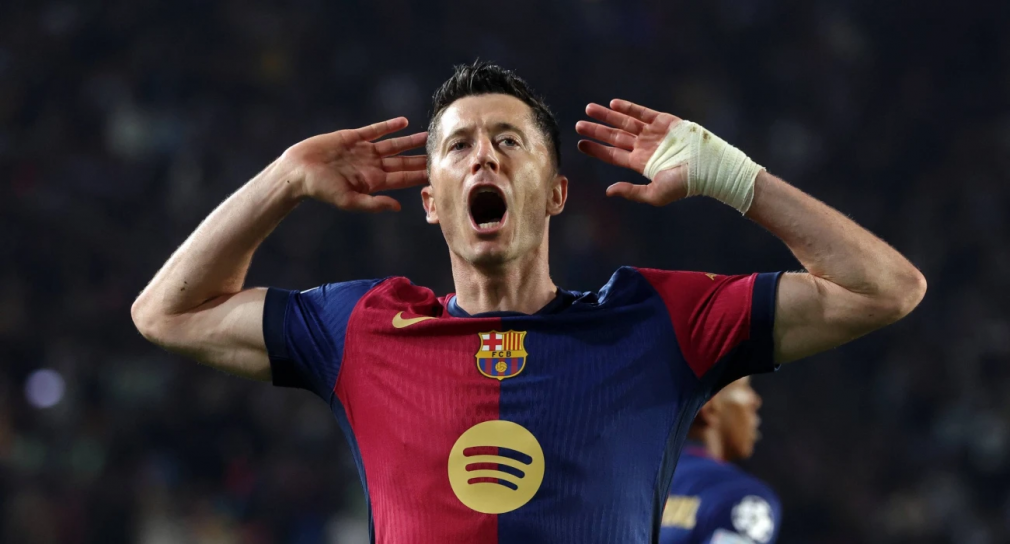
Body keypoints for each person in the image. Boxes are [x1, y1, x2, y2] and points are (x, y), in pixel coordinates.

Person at [130, 61, 926, 543]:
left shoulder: (655, 323)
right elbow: (168, 312)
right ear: (432, 202)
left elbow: (884, 289)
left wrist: (734, 178)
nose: (485, 157)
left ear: (555, 193)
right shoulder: (361, 328)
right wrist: (283, 180)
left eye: (510, 142)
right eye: (459, 146)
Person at [660, 377, 780, 544]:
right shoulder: (741, 498)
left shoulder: (640, 483)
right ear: (709, 407)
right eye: (745, 387)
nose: (756, 400)